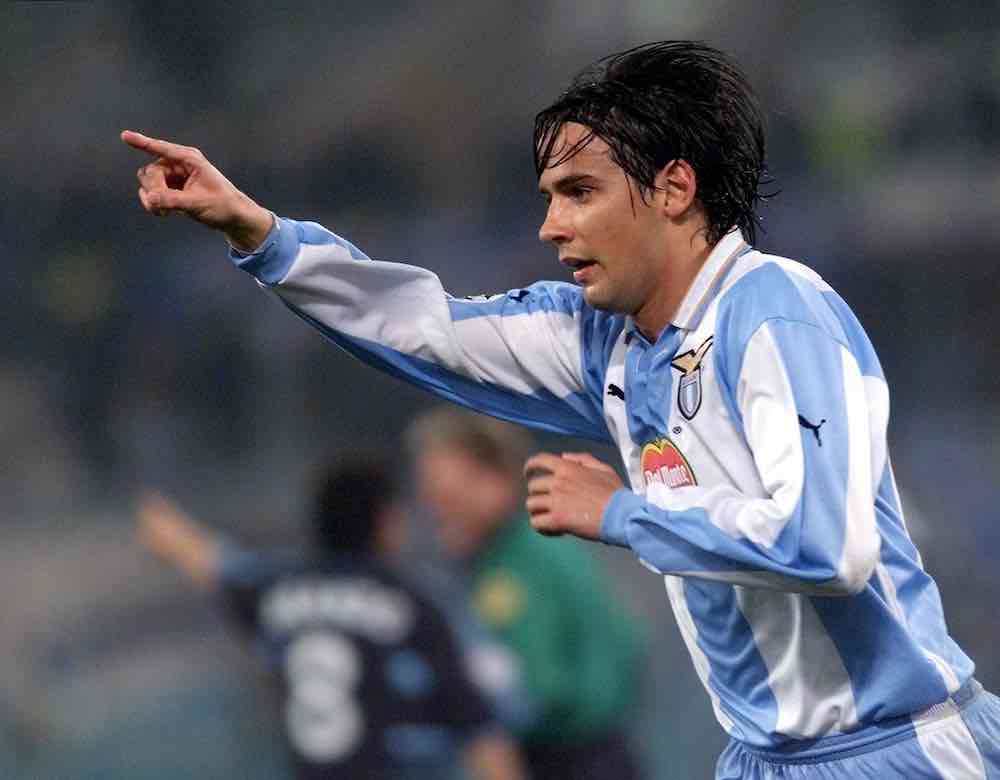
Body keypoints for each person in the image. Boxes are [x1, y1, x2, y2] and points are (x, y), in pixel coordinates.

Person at [122, 39, 1000, 779]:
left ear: (673, 187)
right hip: (760, 757)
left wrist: (626, 513)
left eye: (578, 192)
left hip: (900, 751)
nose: (550, 225)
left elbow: (829, 548)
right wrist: (258, 233)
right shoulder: (603, 342)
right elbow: (424, 325)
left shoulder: (774, 313)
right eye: (548, 196)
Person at [137, 455, 525, 780]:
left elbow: (215, 565)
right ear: (386, 522)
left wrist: (165, 526)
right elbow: (478, 728)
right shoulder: (412, 604)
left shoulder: (277, 592)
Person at [406, 405, 646, 779]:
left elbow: (544, 687)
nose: (434, 510)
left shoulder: (524, 562)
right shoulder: (500, 559)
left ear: (495, 480)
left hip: (572, 764)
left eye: (448, 496)